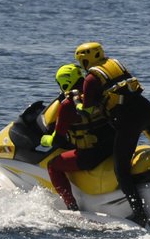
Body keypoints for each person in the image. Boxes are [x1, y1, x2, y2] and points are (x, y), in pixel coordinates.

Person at [74, 41, 150, 224]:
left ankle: (139, 213)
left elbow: (86, 109)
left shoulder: (91, 78)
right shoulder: (116, 64)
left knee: (121, 168)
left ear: (84, 61)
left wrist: (77, 100)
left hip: (129, 120)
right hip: (147, 109)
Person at [33, 64, 116, 212]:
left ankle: (71, 206)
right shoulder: (98, 95)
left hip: (91, 155)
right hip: (113, 147)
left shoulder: (68, 105)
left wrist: (45, 140)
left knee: (53, 166)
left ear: (64, 83)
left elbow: (58, 139)